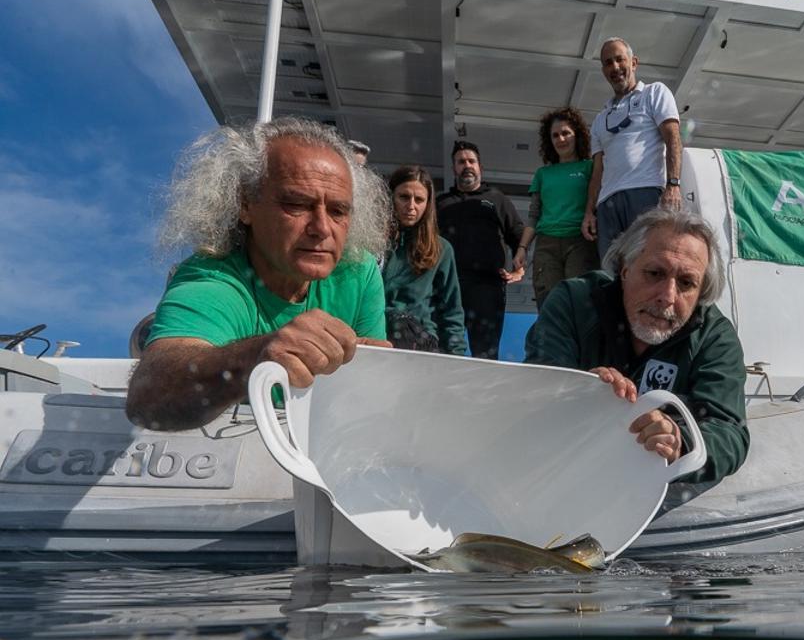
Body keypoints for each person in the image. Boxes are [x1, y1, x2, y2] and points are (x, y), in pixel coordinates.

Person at [126, 117, 393, 432]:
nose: (322, 228)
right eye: (296, 204)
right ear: (245, 205)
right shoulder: (211, 280)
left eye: (338, 211)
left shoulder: (359, 272)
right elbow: (148, 396)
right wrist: (258, 355)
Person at [525, 208, 748, 484]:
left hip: (655, 497)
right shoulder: (574, 303)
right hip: (563, 478)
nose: (667, 296)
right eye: (655, 273)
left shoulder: (714, 337)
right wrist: (582, 390)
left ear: (701, 293)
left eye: (687, 283)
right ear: (624, 269)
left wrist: (679, 441)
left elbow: (730, 432)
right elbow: (536, 389)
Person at [582, 37, 683, 261]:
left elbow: (673, 138)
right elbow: (597, 171)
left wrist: (673, 185)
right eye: (608, 63)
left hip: (645, 193)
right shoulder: (600, 119)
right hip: (607, 204)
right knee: (611, 271)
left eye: (620, 60)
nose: (615, 67)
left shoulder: (655, 93)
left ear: (634, 63)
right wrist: (589, 211)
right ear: (603, 70)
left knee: (647, 263)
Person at [436, 140, 526, 359]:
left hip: (488, 286)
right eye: (461, 162)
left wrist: (519, 268)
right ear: (454, 168)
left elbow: (518, 234)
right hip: (448, 286)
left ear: (480, 168)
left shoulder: (497, 199)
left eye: (471, 161)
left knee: (485, 353)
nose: (466, 165)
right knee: (443, 349)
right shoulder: (440, 203)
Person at [514, 107, 599, 309]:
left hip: (580, 242)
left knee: (579, 302)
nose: (561, 139)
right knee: (550, 305)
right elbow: (534, 216)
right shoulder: (543, 174)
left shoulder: (590, 167)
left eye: (565, 133)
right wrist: (522, 249)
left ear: (576, 135)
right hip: (546, 246)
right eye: (555, 135)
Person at [383, 165, 467, 355]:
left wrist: (457, 358)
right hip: (375, 336)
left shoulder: (442, 249)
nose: (411, 206)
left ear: (428, 205)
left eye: (419, 200)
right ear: (391, 197)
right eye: (404, 197)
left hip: (421, 342)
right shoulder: (373, 243)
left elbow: (452, 310)